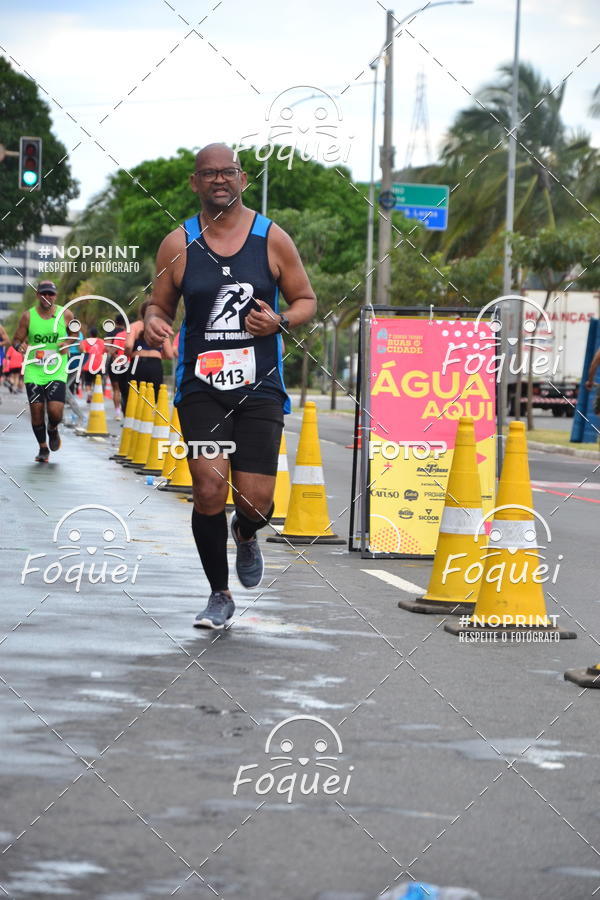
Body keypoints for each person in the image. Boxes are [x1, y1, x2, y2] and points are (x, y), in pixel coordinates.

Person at [144, 143, 316, 629]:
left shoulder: (272, 239)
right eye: (209, 173)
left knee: (254, 501)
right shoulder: (177, 244)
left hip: (260, 388)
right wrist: (156, 323)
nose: (220, 180)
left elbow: (306, 300)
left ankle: (246, 532)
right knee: (207, 488)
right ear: (195, 183)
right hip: (202, 387)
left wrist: (279, 320)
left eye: (228, 172)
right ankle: (219, 594)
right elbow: (157, 305)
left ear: (242, 180)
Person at [11, 280, 73, 462]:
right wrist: (20, 346)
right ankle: (43, 448)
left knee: (55, 412)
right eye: (43, 293)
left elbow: (76, 333)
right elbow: (16, 339)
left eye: (50, 294)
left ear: (56, 296)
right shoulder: (28, 316)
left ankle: (53, 429)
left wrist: (67, 343)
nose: (47, 297)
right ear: (37, 295)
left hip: (57, 369)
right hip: (34, 369)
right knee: (37, 411)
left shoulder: (65, 314)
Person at [123, 300, 173, 407]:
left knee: (134, 397)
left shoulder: (134, 326)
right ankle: (148, 421)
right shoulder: (162, 327)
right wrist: (158, 354)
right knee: (152, 399)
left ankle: (133, 422)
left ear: (142, 312)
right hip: (155, 365)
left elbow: (128, 346)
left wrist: (128, 354)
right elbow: (169, 354)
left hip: (137, 364)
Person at [79, 327, 106, 403]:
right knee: (97, 381)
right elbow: (104, 352)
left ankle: (89, 394)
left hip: (87, 365)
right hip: (98, 365)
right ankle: (96, 396)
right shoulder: (101, 341)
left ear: (90, 334)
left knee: (88, 382)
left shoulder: (85, 341)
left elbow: (82, 351)